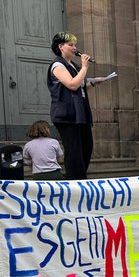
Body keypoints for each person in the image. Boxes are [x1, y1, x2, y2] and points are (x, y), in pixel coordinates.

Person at [48, 31, 94, 180]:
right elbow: (72, 84)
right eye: (70, 45)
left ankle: (79, 178)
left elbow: (79, 86)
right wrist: (84, 67)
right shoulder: (57, 65)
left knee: (87, 146)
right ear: (60, 46)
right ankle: (75, 182)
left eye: (75, 45)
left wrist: (93, 83)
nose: (74, 48)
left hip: (80, 113)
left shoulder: (73, 65)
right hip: (66, 114)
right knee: (74, 151)